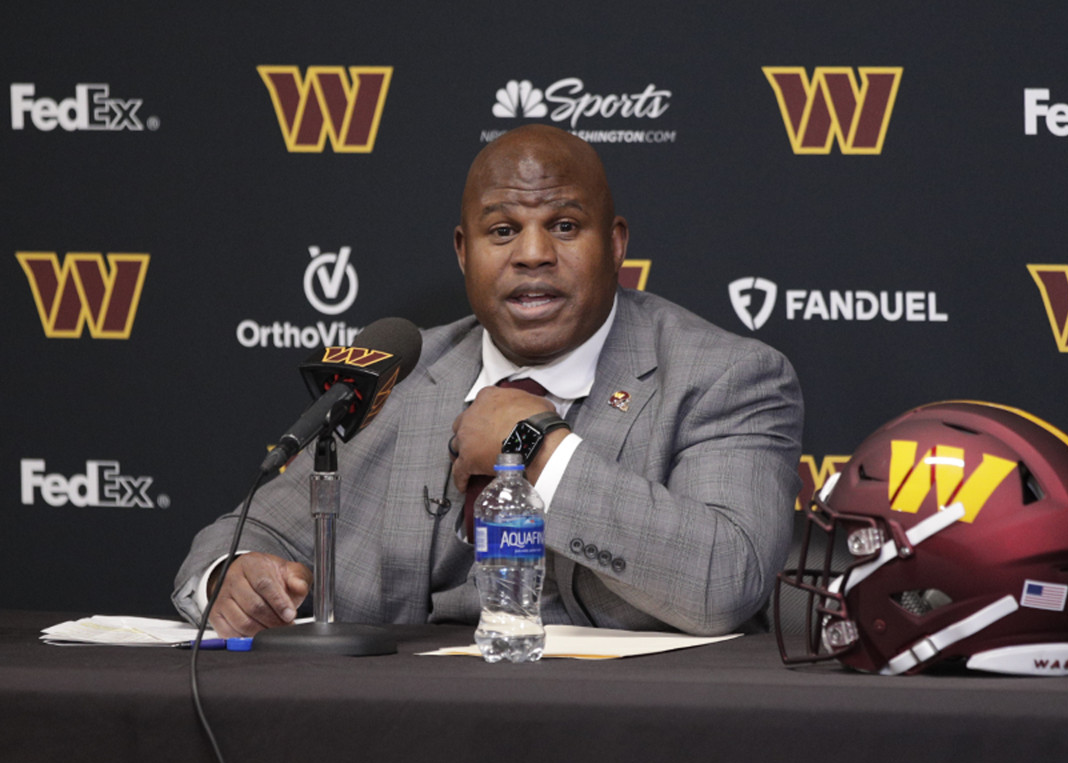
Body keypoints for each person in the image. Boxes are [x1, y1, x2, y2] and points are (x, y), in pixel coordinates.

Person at [173, 124, 804, 638]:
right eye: (502, 231)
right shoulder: (402, 372)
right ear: (462, 251)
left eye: (563, 226)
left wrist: (536, 447)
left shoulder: (725, 377)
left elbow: (727, 581)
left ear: (615, 245)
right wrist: (231, 576)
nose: (531, 254)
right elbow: (243, 536)